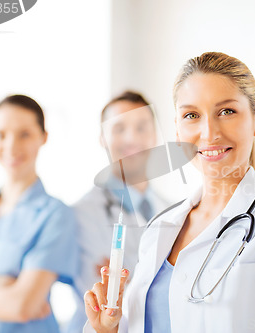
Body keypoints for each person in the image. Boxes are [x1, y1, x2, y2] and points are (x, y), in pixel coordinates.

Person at [83, 52, 255, 333]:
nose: (209, 132)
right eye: (191, 115)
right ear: (177, 131)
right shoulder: (160, 228)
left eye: (226, 111)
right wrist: (107, 329)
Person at [0, 95, 78, 332]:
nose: (11, 147)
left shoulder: (55, 215)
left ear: (43, 137)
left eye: (24, 134)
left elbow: (22, 305)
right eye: (1, 135)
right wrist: (1, 283)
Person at [67, 91, 169, 333]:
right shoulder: (81, 214)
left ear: (155, 135)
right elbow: (102, 293)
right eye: (119, 128)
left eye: (141, 127)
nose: (131, 138)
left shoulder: (175, 210)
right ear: (102, 137)